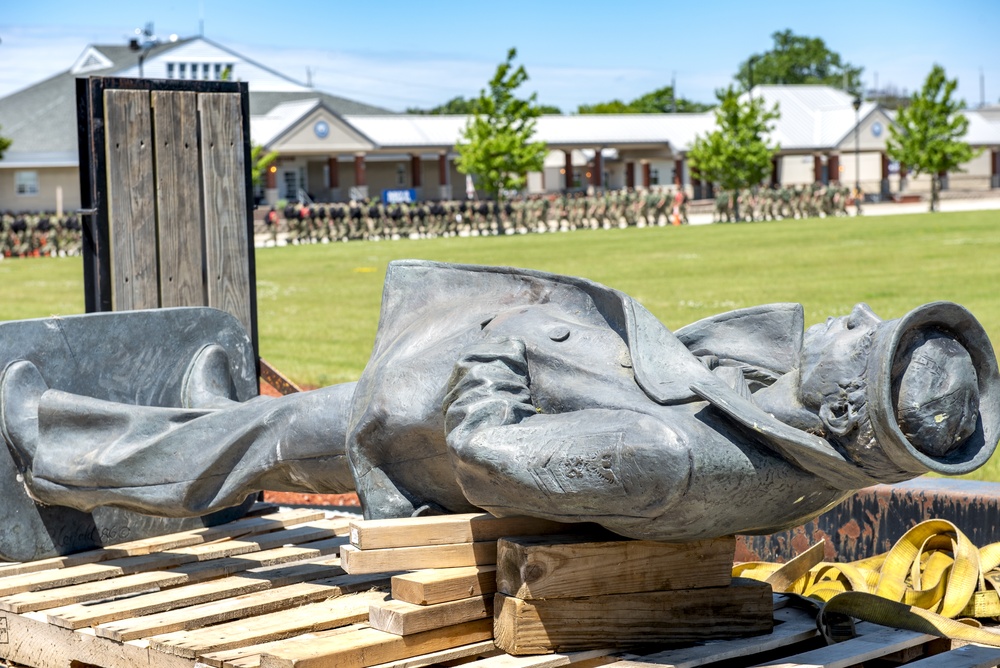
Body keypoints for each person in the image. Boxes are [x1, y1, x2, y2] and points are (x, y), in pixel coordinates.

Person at [1, 261, 997, 544]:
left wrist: (498, 355)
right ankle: (198, 426)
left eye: (871, 342)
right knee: (261, 435)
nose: (860, 313)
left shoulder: (662, 457)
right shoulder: (800, 448)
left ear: (839, 412)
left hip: (420, 431)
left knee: (274, 432)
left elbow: (485, 445)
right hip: (464, 407)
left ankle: (56, 449)